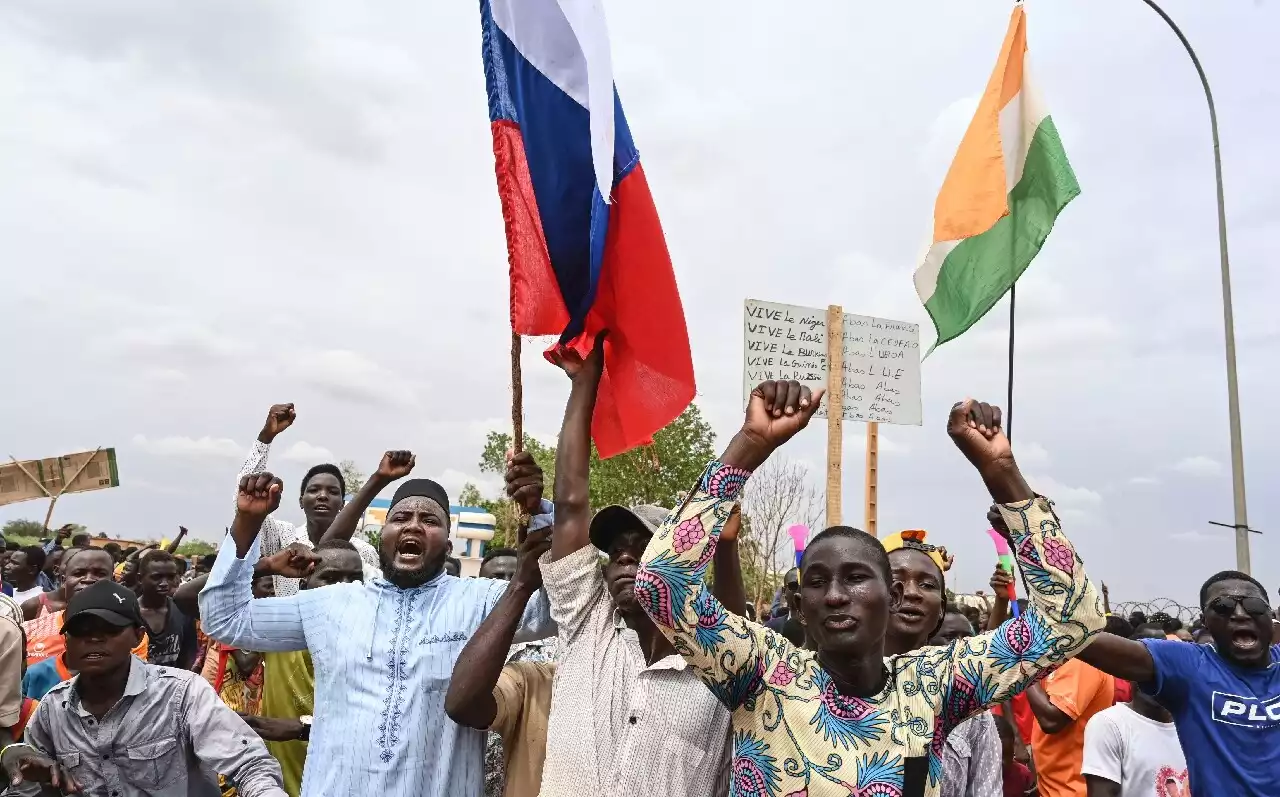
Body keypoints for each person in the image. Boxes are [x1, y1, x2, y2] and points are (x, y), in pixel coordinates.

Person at [636, 383, 1106, 797]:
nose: (836, 595)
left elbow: (1073, 618)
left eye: (856, 578)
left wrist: (1001, 471)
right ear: (799, 607)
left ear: (894, 597)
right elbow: (661, 584)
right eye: (817, 583)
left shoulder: (933, 685)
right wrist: (749, 446)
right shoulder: (764, 673)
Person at [200, 450, 556, 796]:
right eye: (400, 518)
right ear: (380, 537)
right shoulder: (332, 604)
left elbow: (565, 608)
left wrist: (539, 511)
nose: (414, 525)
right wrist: (247, 523)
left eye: (429, 521)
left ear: (448, 546)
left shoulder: (480, 600)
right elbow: (225, 619)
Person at [529, 339, 742, 797]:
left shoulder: (713, 666)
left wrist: (726, 546)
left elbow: (735, 626)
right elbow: (569, 505)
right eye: (615, 551)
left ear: (680, 569)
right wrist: (584, 382)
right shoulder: (588, 628)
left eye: (642, 548)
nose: (624, 557)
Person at [3, 580, 286, 796]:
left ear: (137, 636)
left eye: (109, 629)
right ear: (67, 641)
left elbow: (250, 765)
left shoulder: (182, 694)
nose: (94, 639)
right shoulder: (53, 709)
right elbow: (26, 786)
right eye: (81, 631)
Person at [1077, 570, 1280, 796]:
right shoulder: (1191, 665)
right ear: (1205, 621)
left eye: (1253, 605)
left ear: (1270, 617)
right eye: (1223, 606)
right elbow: (1086, 640)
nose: (1240, 614)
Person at [883, 531, 1001, 797]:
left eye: (927, 585)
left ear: (941, 608)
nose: (911, 593)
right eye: (895, 581)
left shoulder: (971, 707)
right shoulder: (836, 686)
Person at [445, 529, 554, 797]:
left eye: (512, 576)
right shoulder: (458, 644)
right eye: (497, 578)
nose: (507, 584)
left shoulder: (550, 650)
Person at [236, 403, 380, 595]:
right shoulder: (283, 538)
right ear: (301, 501)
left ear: (342, 505)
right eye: (314, 490)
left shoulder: (364, 551)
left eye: (332, 492)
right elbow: (247, 503)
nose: (322, 496)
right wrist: (265, 438)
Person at [1080, 625, 1187, 797]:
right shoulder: (1109, 725)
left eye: (1163, 666)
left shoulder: (1191, 723)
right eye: (1146, 667)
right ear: (1128, 669)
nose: (1155, 677)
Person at [22, 548, 147, 666]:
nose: (88, 579)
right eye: (78, 573)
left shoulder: (128, 633)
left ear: (113, 581)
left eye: (99, 573)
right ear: (63, 580)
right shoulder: (29, 630)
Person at [1025, 636, 1115, 797]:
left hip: (1071, 789)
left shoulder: (1080, 660)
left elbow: (1051, 721)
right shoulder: (1062, 653)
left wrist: (1024, 664)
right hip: (1055, 785)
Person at [136, 550, 198, 669]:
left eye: (170, 577)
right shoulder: (129, 612)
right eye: (156, 577)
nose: (164, 583)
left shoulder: (182, 610)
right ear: (140, 578)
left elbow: (189, 653)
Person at [995, 713, 1036, 797]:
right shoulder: (973, 777)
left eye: (1007, 755)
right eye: (997, 757)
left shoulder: (1022, 775)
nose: (1004, 762)